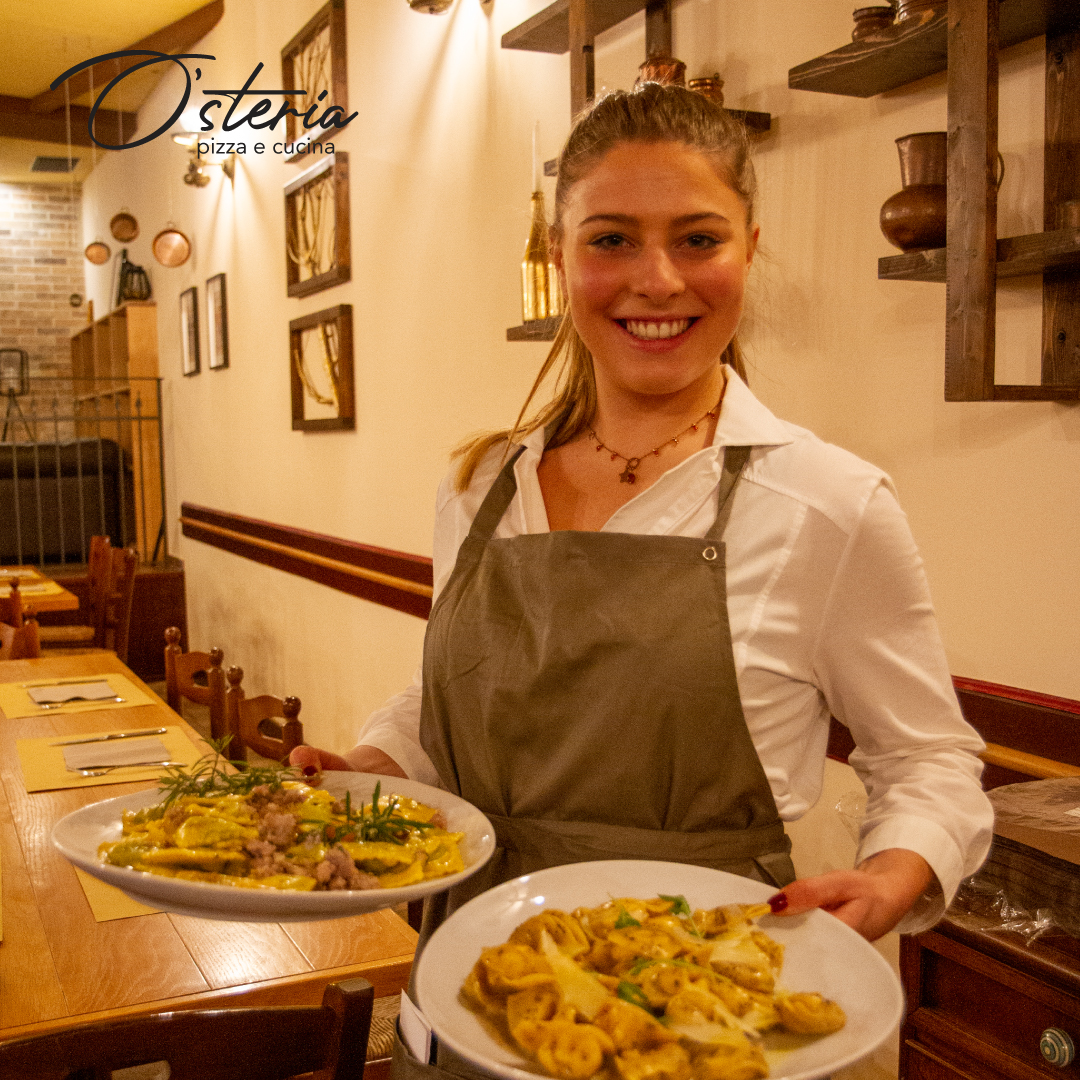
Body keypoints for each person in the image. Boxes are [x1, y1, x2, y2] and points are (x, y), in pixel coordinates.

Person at [292, 83, 992, 951]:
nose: (656, 280)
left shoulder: (827, 503)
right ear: (559, 254)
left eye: (698, 239)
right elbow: (459, 706)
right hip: (468, 959)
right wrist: (376, 765)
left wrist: (897, 870)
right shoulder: (481, 486)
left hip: (703, 988)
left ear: (749, 250)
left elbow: (929, 757)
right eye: (612, 239)